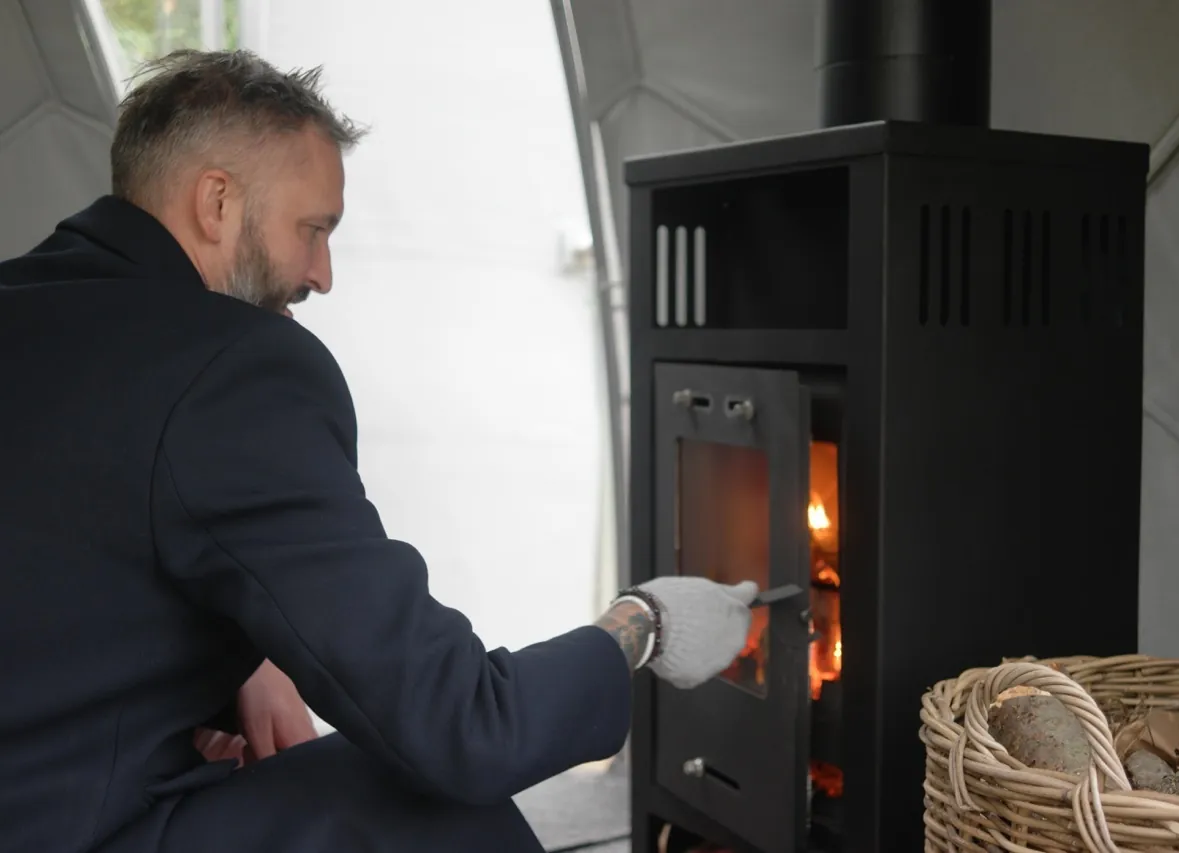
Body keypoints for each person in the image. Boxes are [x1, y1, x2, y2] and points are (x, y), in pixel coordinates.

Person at [0, 49, 758, 853]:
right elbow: (462, 726)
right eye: (313, 230)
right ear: (216, 202)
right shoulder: (228, 368)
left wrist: (238, 667)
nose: (322, 275)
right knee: (423, 800)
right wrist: (643, 623)